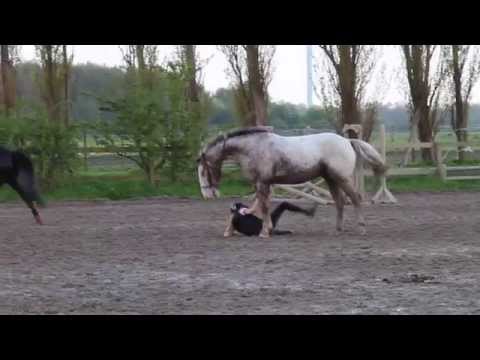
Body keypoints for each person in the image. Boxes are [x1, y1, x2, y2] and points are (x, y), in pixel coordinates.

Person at [225, 201, 317, 237]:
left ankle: (285, 232)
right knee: (283, 205)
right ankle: (307, 212)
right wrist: (259, 198)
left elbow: (227, 234)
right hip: (264, 227)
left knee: (274, 230)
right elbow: (251, 211)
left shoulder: (233, 223)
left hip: (259, 232)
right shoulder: (242, 210)